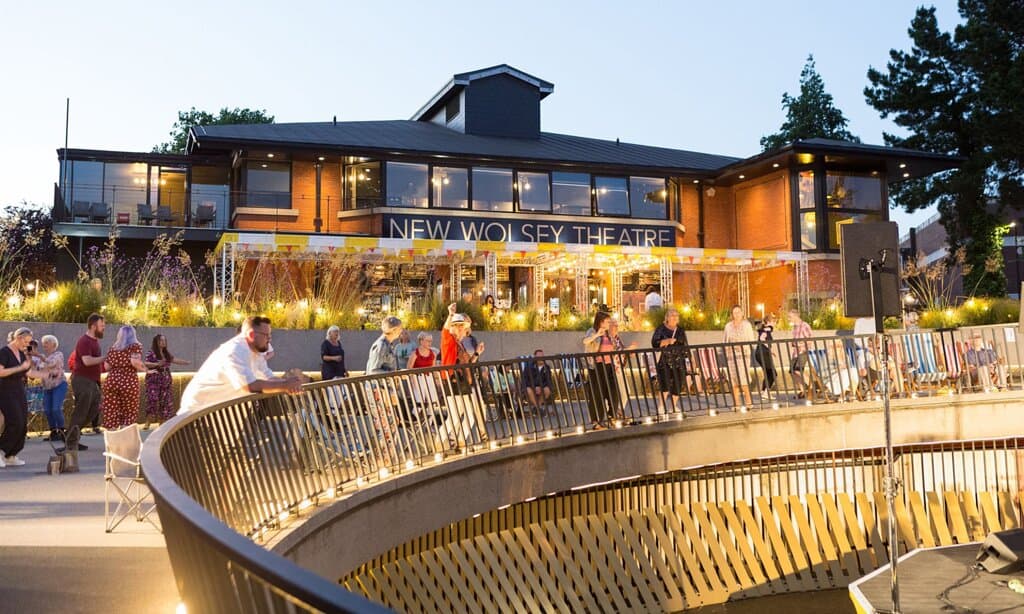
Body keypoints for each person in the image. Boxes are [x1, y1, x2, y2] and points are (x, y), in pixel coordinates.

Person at [178, 316, 303, 415]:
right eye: (266, 335)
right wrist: (285, 385)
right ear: (251, 335)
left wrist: (289, 382)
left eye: (270, 335)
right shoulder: (235, 350)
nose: (269, 339)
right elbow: (249, 385)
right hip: (199, 413)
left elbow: (268, 377)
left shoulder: (257, 353)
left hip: (219, 416)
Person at [440, 303, 485, 447]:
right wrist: (450, 314)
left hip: (462, 380)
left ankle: (449, 440)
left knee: (459, 415)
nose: (462, 330)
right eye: (459, 327)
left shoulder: (459, 344)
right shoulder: (450, 341)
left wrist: (477, 353)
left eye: (463, 328)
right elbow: (445, 331)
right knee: (461, 414)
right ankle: (449, 440)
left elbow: (468, 363)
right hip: (454, 380)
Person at [0, 327, 45, 467]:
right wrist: (20, 368)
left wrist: (46, 374)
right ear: (18, 338)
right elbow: (1, 372)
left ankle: (11, 455)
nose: (28, 345)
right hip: (5, 390)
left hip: (19, 390)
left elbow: (28, 371)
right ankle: (1, 450)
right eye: (26, 341)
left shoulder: (21, 353)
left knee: (22, 424)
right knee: (15, 421)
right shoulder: (4, 352)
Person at [364, 316, 405, 463]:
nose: (401, 332)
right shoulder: (381, 346)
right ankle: (384, 460)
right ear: (393, 330)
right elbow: (373, 370)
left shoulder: (389, 345)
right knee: (385, 424)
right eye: (399, 329)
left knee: (391, 422)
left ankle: (388, 458)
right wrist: (394, 375)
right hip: (378, 391)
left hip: (384, 390)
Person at [101, 325, 154, 430]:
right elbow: (135, 362)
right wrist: (146, 370)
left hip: (112, 381)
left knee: (111, 411)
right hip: (128, 381)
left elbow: (106, 367)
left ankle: (112, 440)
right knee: (129, 411)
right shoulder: (135, 346)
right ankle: (125, 440)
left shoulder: (113, 348)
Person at [68, 313, 107, 451]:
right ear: (93, 326)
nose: (104, 328)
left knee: (93, 410)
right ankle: (71, 442)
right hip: (82, 380)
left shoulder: (95, 341)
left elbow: (98, 364)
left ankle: (73, 437)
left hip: (92, 381)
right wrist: (104, 358)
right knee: (81, 411)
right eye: (102, 326)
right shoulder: (84, 341)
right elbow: (87, 361)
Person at [143, 334, 190, 425]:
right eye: (161, 340)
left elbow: (174, 360)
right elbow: (146, 363)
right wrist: (157, 364)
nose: (163, 342)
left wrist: (186, 362)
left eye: (164, 340)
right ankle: (148, 420)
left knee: (165, 400)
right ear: (157, 342)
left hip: (165, 379)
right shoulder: (151, 353)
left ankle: (162, 422)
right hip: (154, 379)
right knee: (153, 399)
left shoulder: (166, 354)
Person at [651, 308, 690, 415]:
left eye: (676, 316)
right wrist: (667, 341)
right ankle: (661, 406)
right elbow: (654, 343)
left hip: (679, 361)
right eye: (672, 315)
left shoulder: (680, 330)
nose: (674, 318)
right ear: (667, 318)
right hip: (665, 360)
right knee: (664, 384)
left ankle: (673, 406)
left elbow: (685, 345)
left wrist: (688, 360)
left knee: (677, 385)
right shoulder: (661, 329)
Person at [583, 311, 618, 429]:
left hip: (609, 365)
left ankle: (612, 416)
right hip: (597, 366)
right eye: (607, 321)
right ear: (601, 322)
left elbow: (613, 348)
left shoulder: (608, 334)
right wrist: (597, 335)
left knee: (613, 392)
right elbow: (585, 341)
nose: (609, 323)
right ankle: (596, 421)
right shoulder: (592, 331)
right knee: (597, 394)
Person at [723, 305, 756, 408]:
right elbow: (725, 340)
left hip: (743, 354)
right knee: (733, 379)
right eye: (734, 312)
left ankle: (748, 402)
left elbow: (751, 340)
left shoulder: (747, 325)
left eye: (738, 312)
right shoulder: (728, 326)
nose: (736, 314)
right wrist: (726, 350)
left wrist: (746, 347)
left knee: (743, 377)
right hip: (731, 356)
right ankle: (736, 403)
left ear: (742, 313)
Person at [39, 334, 69, 442]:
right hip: (47, 387)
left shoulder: (58, 354)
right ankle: (53, 432)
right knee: (47, 410)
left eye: (47, 342)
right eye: (44, 343)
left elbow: (51, 364)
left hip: (59, 385)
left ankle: (62, 431)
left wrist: (40, 358)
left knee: (56, 408)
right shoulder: (43, 358)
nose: (44, 345)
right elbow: (36, 369)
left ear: (53, 344)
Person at [407, 331, 440, 409]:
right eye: (428, 341)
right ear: (421, 341)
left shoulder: (433, 353)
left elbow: (433, 368)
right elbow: (409, 368)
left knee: (432, 402)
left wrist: (437, 382)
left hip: (429, 378)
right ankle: (417, 418)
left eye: (431, 341)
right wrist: (412, 382)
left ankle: (431, 420)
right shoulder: (414, 353)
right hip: (418, 378)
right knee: (419, 403)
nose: (430, 343)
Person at [787, 309, 813, 399]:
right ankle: (803, 391)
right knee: (792, 371)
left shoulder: (804, 325)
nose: (788, 319)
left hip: (803, 351)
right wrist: (793, 343)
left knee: (798, 370)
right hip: (796, 352)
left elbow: (809, 339)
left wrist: (800, 344)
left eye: (790, 317)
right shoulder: (794, 327)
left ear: (795, 316)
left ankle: (812, 385)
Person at [522, 349, 554, 415]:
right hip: (530, 387)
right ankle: (539, 409)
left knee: (547, 390)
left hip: (541, 387)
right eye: (539, 356)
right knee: (528, 390)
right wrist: (534, 387)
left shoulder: (546, 367)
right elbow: (525, 380)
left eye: (542, 356)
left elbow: (548, 380)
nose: (541, 358)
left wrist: (540, 387)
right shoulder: (528, 366)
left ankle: (537, 409)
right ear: (535, 357)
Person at [754, 314, 777, 392]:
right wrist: (769, 349)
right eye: (774, 322)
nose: (775, 324)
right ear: (769, 321)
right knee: (772, 372)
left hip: (762, 353)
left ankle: (765, 392)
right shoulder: (766, 329)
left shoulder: (766, 329)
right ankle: (765, 391)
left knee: (769, 373)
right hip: (762, 353)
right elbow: (762, 338)